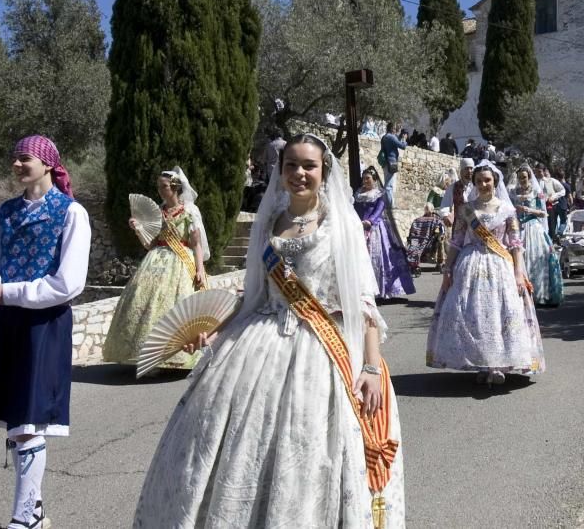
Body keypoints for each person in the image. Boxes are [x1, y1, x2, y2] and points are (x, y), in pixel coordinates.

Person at [133, 134, 405, 527]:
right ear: (280, 170)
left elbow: (363, 303)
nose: (299, 173)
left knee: (308, 452)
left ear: (323, 170)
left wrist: (372, 366)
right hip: (259, 344)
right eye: (291, 165)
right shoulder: (269, 224)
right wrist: (213, 332)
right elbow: (253, 296)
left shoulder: (341, 225)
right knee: (234, 447)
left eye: (308, 166)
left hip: (324, 352)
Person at [0, 135, 91, 529]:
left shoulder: (71, 213)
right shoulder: (4, 212)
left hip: (44, 323)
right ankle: (31, 513)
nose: (17, 165)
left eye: (25, 158)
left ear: (48, 163)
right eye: (15, 158)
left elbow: (68, 282)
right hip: (8, 320)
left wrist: (10, 291)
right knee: (18, 420)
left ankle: (26, 516)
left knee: (30, 421)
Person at [427, 161, 545, 386]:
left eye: (487, 180)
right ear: (474, 183)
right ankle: (480, 362)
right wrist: (447, 269)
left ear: (495, 181)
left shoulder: (507, 210)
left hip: (500, 266)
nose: (483, 184)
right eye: (479, 181)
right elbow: (457, 241)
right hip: (470, 265)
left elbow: (515, 243)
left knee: (501, 314)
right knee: (473, 316)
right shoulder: (466, 210)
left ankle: (497, 364)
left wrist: (519, 273)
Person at [102, 167, 210, 371]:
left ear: (176, 188)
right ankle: (147, 357)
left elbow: (196, 244)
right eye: (159, 187)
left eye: (164, 187)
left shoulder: (189, 212)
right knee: (144, 303)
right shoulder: (159, 213)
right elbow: (150, 245)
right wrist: (139, 230)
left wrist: (200, 269)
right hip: (155, 261)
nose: (160, 190)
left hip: (181, 263)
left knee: (177, 306)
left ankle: (177, 355)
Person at [354, 166, 416, 300]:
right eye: (363, 178)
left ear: (374, 179)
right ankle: (363, 289)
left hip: (375, 229)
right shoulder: (358, 194)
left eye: (368, 179)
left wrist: (370, 221)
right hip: (359, 228)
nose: (365, 181)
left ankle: (382, 290)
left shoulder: (379, 194)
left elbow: (379, 209)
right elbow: (355, 209)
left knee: (378, 258)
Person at [511, 166, 563, 307]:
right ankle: (521, 293)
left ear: (529, 177)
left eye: (525, 177)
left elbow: (543, 213)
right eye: (520, 177)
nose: (522, 180)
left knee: (536, 260)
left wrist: (529, 210)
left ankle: (538, 294)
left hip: (533, 227)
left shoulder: (536, 191)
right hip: (518, 229)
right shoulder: (513, 192)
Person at [439, 158, 475, 227]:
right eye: (466, 168)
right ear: (461, 171)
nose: (469, 171)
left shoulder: (477, 186)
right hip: (459, 227)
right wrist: (445, 215)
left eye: (471, 168)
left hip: (475, 226)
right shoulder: (453, 187)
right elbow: (445, 204)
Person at [379, 122, 408, 207]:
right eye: (395, 129)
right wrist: (404, 139)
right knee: (389, 185)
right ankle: (389, 205)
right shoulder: (391, 137)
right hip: (392, 161)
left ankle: (389, 203)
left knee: (388, 183)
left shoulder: (384, 137)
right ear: (392, 129)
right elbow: (402, 146)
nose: (396, 130)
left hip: (385, 162)